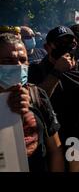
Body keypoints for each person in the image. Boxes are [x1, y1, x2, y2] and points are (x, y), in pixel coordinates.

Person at [0, 33, 64, 172]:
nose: (18, 65)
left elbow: (55, 149)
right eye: (8, 60)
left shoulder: (36, 94)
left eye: (23, 60)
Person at [28, 26, 79, 143]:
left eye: (71, 43)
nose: (66, 46)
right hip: (52, 137)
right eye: (60, 43)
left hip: (78, 135)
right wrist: (57, 72)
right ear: (47, 47)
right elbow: (36, 102)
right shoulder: (35, 69)